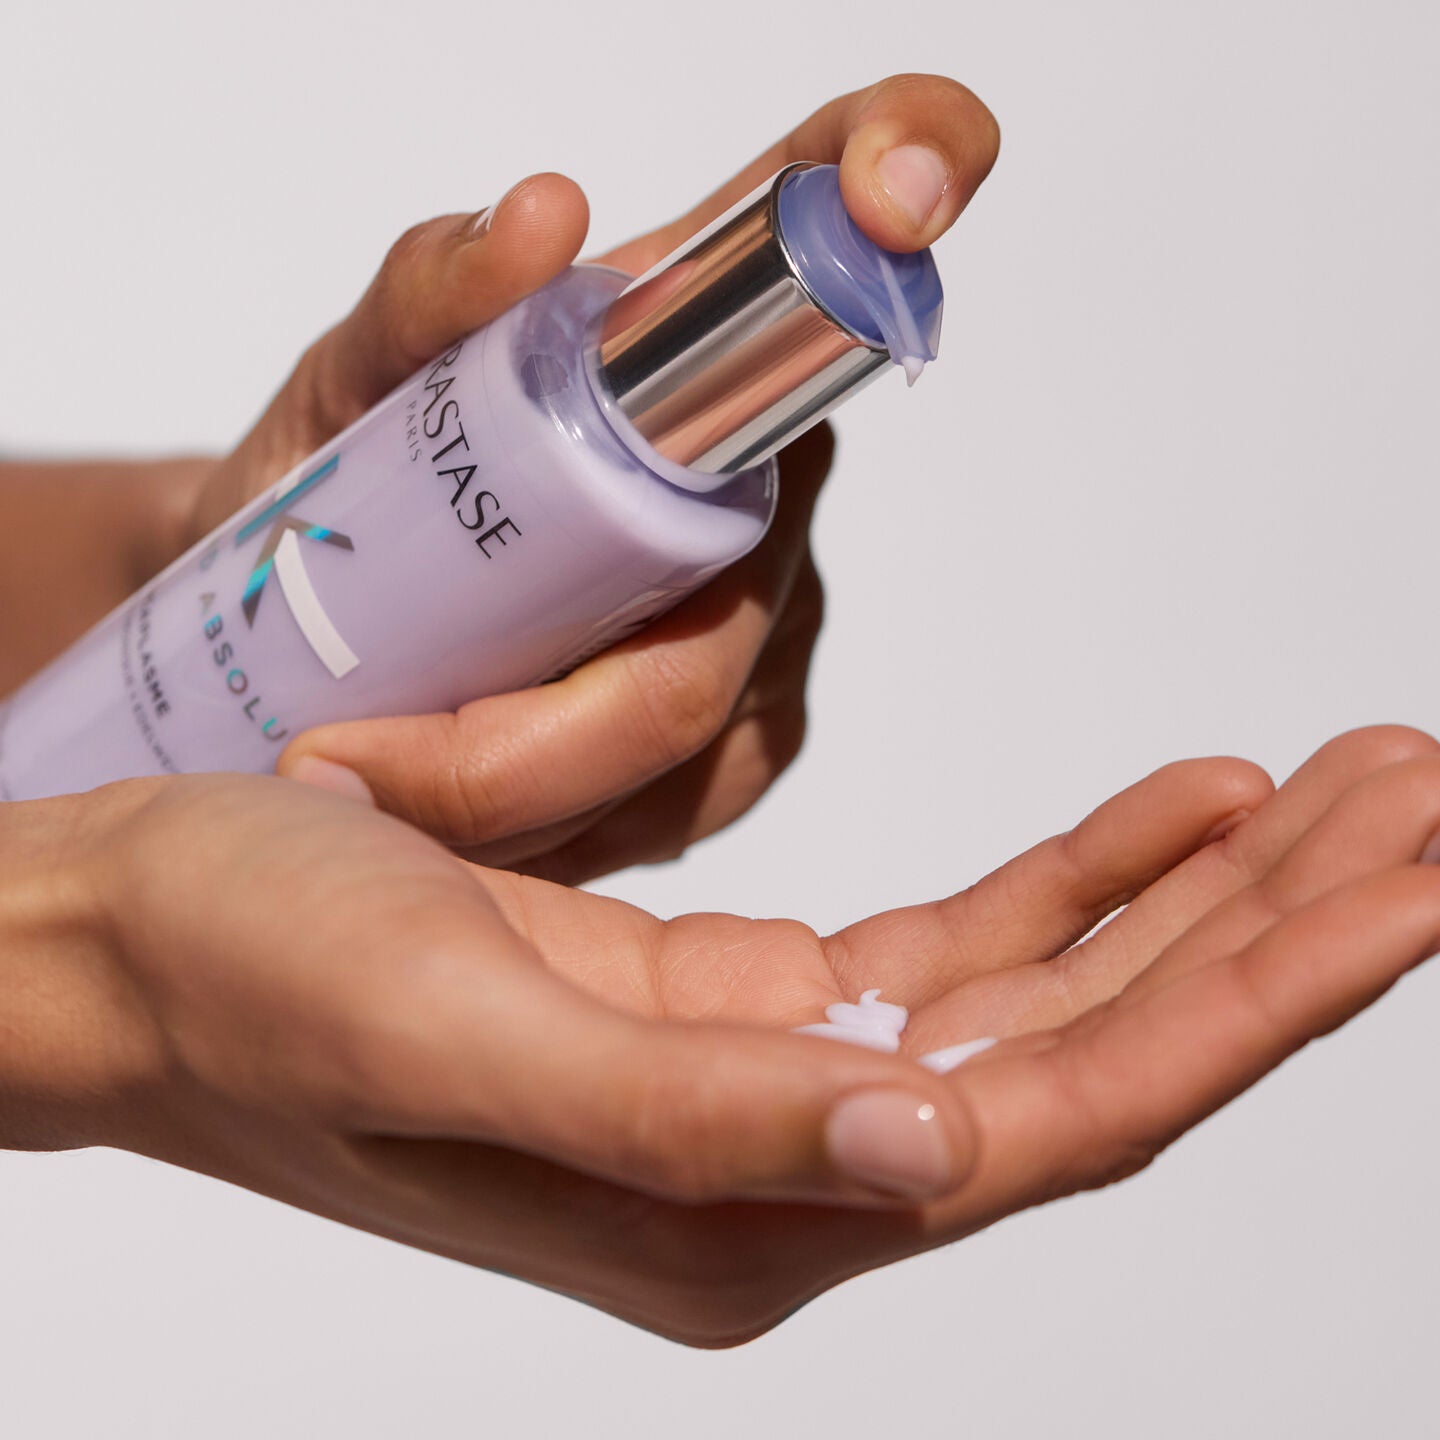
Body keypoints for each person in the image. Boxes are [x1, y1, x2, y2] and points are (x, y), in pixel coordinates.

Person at [4, 73, 1440, 1347]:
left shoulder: (698, 507)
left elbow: (281, 564)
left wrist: (180, 553)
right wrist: (94, 962)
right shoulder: (557, 348)